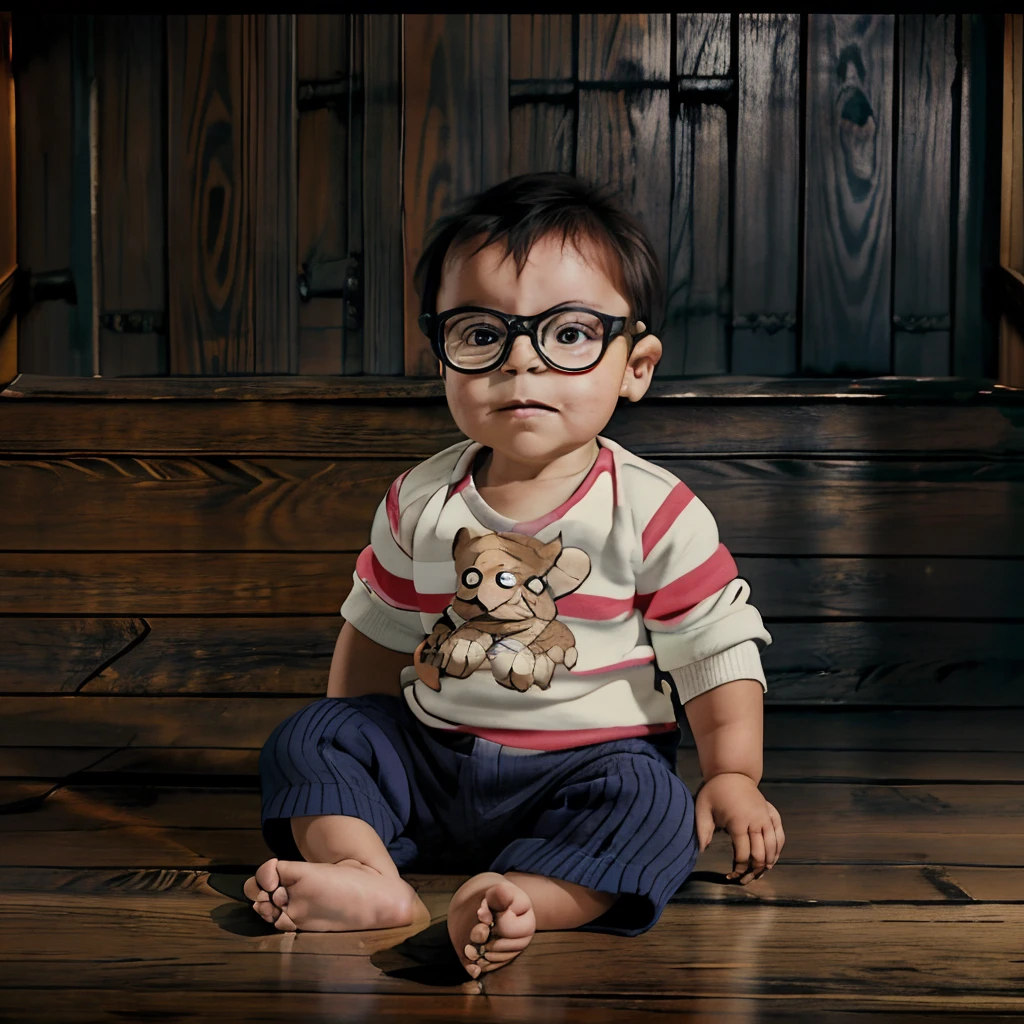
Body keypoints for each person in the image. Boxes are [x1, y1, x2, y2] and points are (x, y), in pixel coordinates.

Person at [243, 172, 785, 978]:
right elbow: (375, 634)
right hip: (432, 759)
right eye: (481, 334)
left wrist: (734, 775)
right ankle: (366, 872)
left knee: (658, 810)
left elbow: (715, 650)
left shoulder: (654, 510)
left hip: (587, 768)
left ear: (634, 365)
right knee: (311, 737)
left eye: (568, 335)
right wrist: (354, 745)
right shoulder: (419, 501)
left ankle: (519, 896)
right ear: (442, 359)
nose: (521, 362)